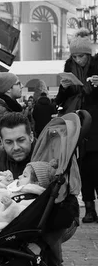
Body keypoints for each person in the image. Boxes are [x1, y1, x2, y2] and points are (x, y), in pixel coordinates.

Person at [0, 112, 77, 266]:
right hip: (13, 213)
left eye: (21, 140)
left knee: (50, 220)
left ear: (31, 136)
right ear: (1, 141)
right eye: (9, 142)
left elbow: (67, 198)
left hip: (49, 216)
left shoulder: (46, 153)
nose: (15, 147)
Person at [53, 29, 98, 223]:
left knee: (96, 165)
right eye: (74, 56)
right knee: (84, 167)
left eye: (81, 56)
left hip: (96, 122)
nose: (78, 60)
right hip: (78, 123)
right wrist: (63, 88)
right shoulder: (68, 68)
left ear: (88, 55)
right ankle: (89, 208)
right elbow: (59, 101)